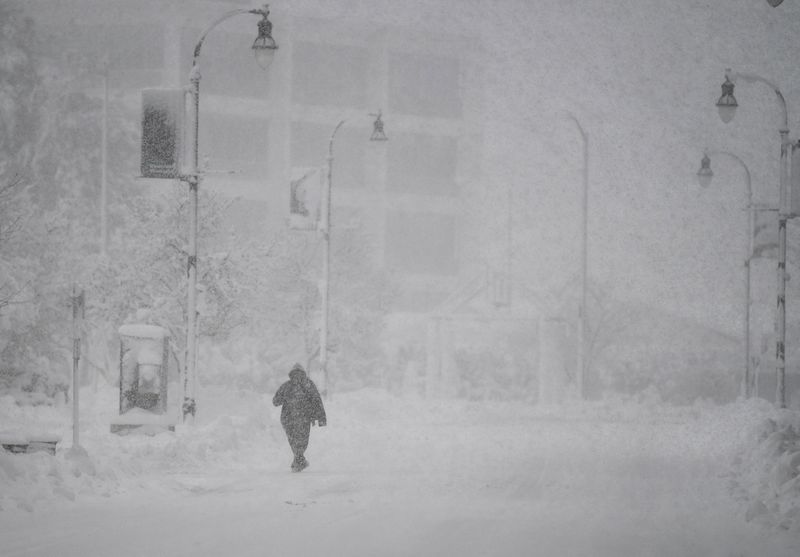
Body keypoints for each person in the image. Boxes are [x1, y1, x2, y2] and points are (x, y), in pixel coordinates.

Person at [272, 363, 327, 472]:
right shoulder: (308, 384)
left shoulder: (287, 386)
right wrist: (321, 418)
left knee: (293, 440)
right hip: (303, 418)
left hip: (288, 419)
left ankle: (298, 461)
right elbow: (317, 400)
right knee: (302, 440)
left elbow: (275, 401)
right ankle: (299, 461)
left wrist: (285, 398)